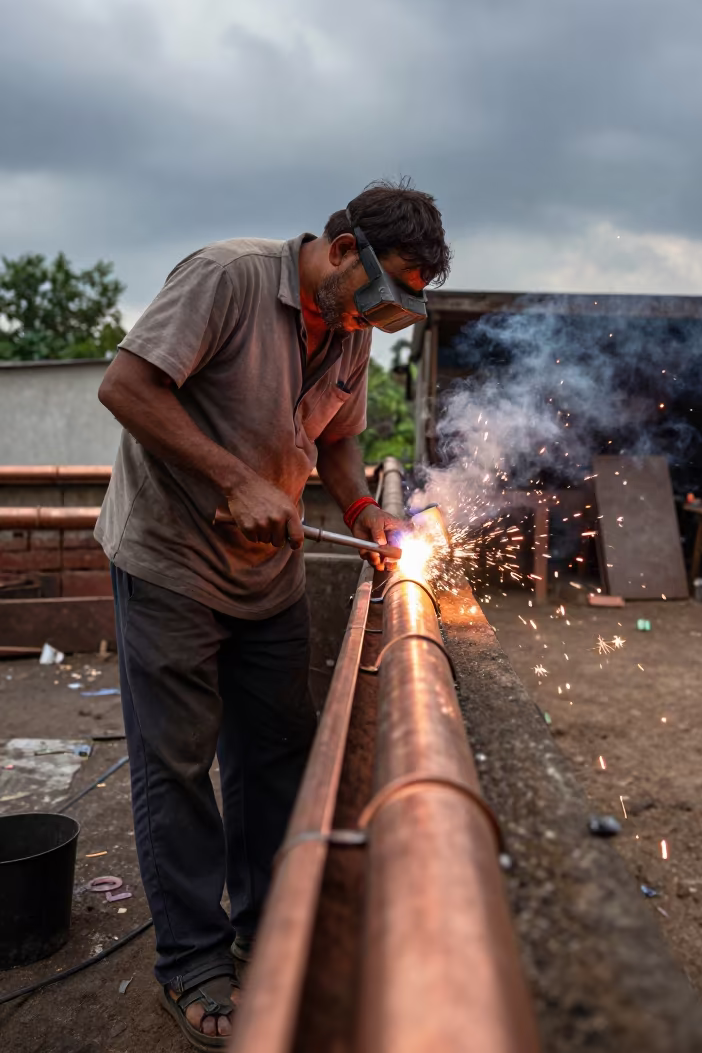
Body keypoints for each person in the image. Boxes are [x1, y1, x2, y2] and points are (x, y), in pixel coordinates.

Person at [95, 181, 451, 1048]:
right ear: (340, 252)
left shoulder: (353, 331)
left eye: (407, 299)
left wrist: (364, 510)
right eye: (387, 285)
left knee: (275, 750)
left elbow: (336, 439)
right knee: (177, 766)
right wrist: (235, 478)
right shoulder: (228, 278)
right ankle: (193, 962)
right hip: (173, 562)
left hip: (270, 577)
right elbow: (127, 388)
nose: (386, 310)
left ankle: (266, 923)